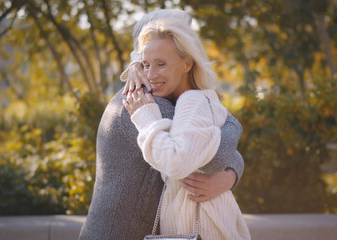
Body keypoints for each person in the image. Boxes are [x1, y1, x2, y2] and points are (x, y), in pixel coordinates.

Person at [78, 9, 245, 240]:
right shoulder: (143, 103)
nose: (152, 73)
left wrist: (229, 175)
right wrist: (232, 133)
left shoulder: (176, 100)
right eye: (147, 63)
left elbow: (209, 144)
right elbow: (215, 156)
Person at [123, 18, 251, 239]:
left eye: (161, 64)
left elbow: (175, 162)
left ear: (187, 64)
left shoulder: (192, 101)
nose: (151, 75)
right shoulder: (200, 100)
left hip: (207, 229)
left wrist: (145, 118)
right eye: (146, 65)